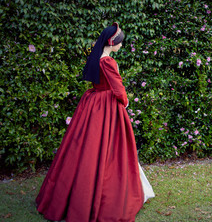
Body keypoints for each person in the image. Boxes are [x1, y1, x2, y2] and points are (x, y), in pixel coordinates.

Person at [36, 22, 154, 222]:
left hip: (93, 103)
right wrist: (124, 102)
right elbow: (117, 88)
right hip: (107, 106)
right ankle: (101, 195)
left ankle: (72, 194)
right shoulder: (107, 62)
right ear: (112, 43)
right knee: (110, 148)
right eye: (120, 43)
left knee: (85, 147)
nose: (121, 46)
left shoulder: (96, 58)